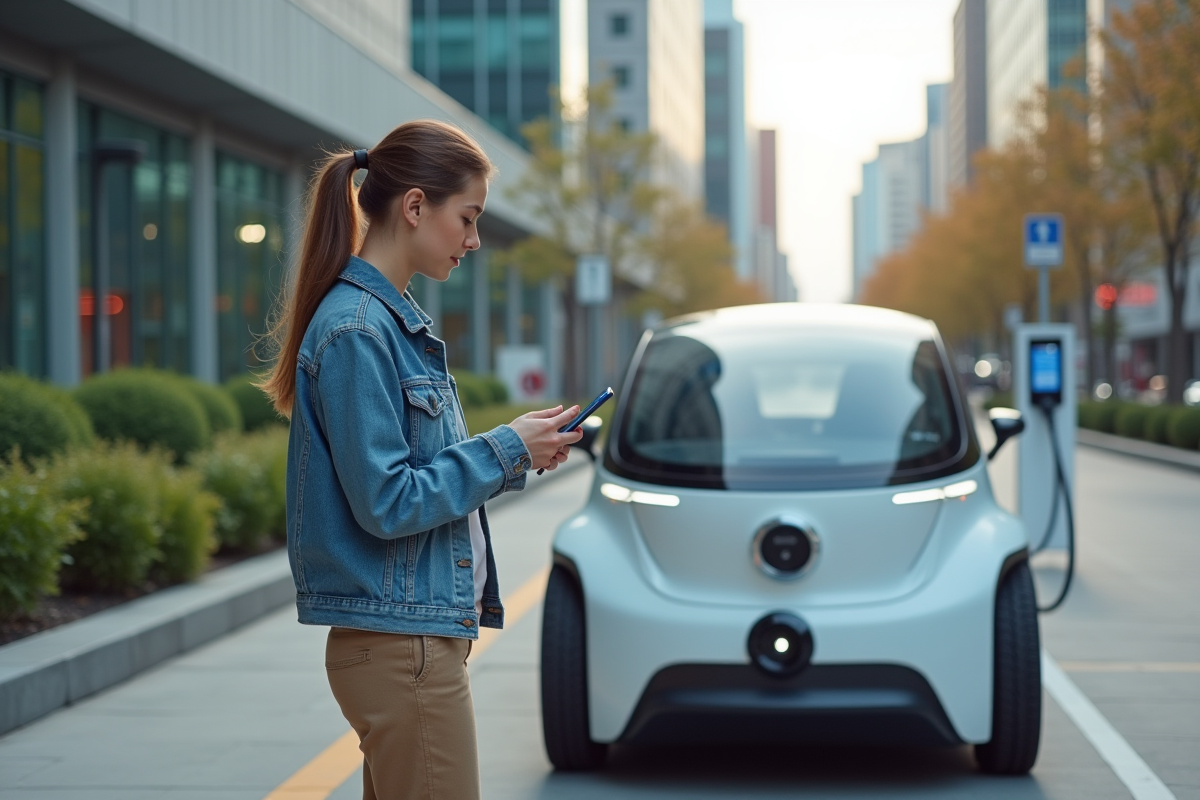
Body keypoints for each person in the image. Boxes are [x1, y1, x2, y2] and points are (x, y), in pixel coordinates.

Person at [260, 119, 583, 800]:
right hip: (401, 650)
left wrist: (517, 450)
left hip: (409, 642)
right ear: (414, 207)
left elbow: (410, 477)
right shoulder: (358, 330)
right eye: (467, 219)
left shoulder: (387, 323)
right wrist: (505, 449)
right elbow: (388, 500)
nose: (473, 240)